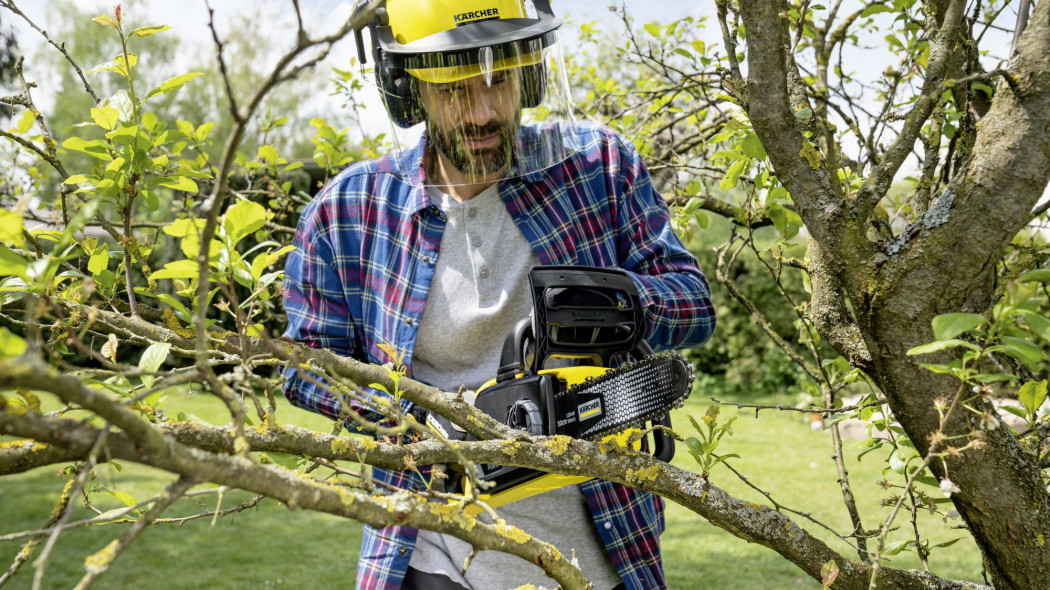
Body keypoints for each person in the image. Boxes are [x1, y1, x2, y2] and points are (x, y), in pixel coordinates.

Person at [282, 1, 716, 589]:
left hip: (600, 550)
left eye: (501, 80)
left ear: (530, 74)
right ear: (406, 85)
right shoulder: (350, 209)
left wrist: (623, 302)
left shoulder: (598, 166)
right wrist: (417, 426)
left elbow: (693, 303)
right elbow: (307, 363)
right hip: (429, 556)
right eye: (457, 88)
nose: (484, 110)